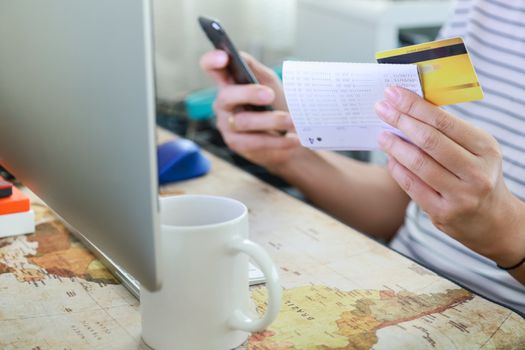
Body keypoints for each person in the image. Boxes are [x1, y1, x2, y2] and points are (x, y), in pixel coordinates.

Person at [200, 0, 525, 314]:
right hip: (399, 289)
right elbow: (400, 202)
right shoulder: (482, 7)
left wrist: (505, 232)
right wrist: (287, 152)